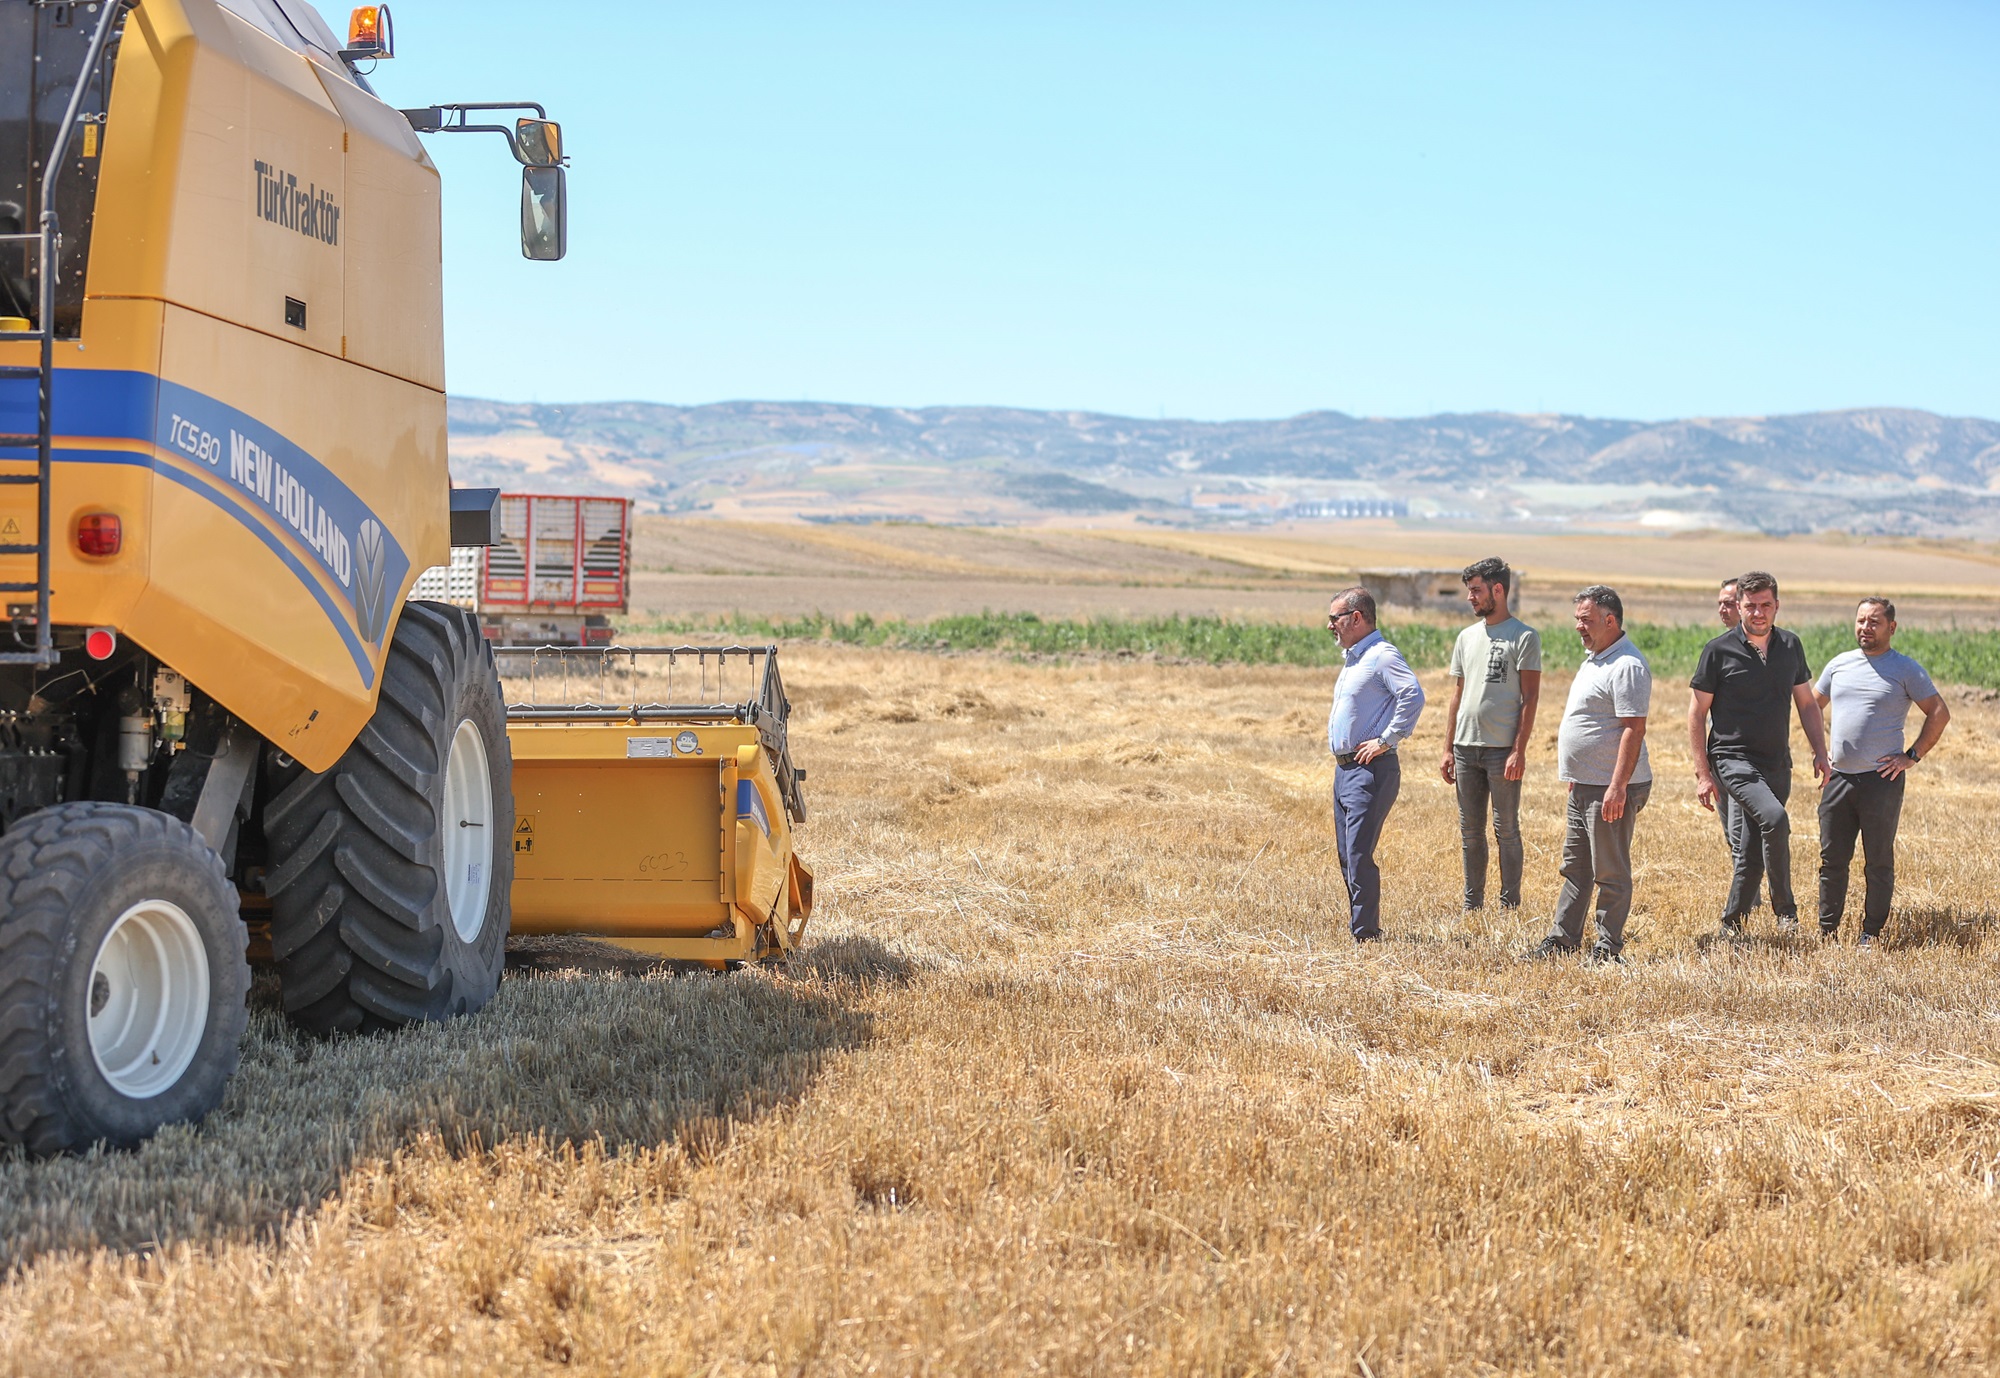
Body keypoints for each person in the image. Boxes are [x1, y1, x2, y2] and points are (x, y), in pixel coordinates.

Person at [1688, 571, 1831, 937]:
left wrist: (1820, 751)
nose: (1758, 613)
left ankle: (1731, 925)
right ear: (1739, 607)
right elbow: (1697, 713)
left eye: (1765, 605)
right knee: (1776, 819)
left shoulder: (1790, 646)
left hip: (1776, 763)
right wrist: (1703, 773)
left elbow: (1806, 704)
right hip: (1732, 759)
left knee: (1751, 851)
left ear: (1777, 606)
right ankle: (1787, 912)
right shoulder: (1718, 650)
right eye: (1750, 606)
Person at [1522, 586, 1651, 964]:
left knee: (1609, 871)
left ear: (1610, 621)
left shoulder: (1627, 665)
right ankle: (1563, 940)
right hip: (1586, 784)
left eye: (1586, 620)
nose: (1578, 626)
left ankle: (1608, 949)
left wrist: (1617, 787)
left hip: (1610, 786)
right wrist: (1578, 773)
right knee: (1576, 866)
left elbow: (1633, 728)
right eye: (1577, 618)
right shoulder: (1595, 658)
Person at [1814, 597, 1950, 947]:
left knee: (1877, 861)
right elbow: (1810, 706)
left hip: (1882, 782)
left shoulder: (1905, 669)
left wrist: (1912, 756)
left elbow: (1938, 712)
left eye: (1874, 621)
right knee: (1832, 860)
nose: (1865, 627)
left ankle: (1870, 934)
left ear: (1892, 627)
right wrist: (1820, 751)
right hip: (1838, 778)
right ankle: (1826, 933)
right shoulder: (1839, 665)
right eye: (1860, 620)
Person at [1439, 557, 1541, 911]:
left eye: (1476, 590)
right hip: (1465, 748)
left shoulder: (1525, 636)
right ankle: (1473, 905)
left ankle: (1509, 905)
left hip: (1501, 751)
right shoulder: (1466, 637)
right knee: (1470, 833)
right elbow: (1457, 695)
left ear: (1498, 590)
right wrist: (1448, 747)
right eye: (1469, 591)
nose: (1470, 598)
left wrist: (1519, 750)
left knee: (1506, 830)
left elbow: (1530, 698)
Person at [1325, 586, 1424, 944]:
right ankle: (1360, 928)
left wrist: (1386, 740)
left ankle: (1366, 935)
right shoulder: (1355, 659)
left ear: (1356, 618)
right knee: (1346, 854)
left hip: (1370, 770)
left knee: (1357, 853)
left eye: (1334, 618)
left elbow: (1413, 694)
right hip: (1346, 770)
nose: (1329, 626)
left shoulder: (1382, 656)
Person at [1710, 578, 1758, 910]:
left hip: (1748, 760)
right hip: (1720, 757)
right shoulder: (1719, 648)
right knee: (1732, 834)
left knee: (1744, 836)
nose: (1723, 609)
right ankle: (1750, 898)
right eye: (1721, 603)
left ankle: (1745, 905)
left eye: (1729, 602)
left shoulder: (1762, 650)